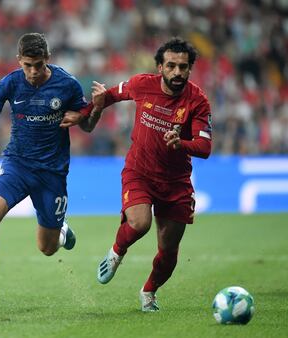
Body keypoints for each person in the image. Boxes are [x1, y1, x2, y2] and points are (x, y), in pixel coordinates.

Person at [69, 37, 213, 312]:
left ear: (190, 69)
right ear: (160, 67)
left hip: (176, 182)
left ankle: (149, 292)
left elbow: (205, 147)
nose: (177, 72)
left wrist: (181, 143)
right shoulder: (141, 84)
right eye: (171, 66)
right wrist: (84, 113)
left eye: (183, 67)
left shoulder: (198, 101)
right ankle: (116, 253)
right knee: (139, 223)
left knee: (169, 251)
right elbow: (108, 96)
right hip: (140, 171)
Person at [0, 32, 90, 312]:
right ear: (19, 61)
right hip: (17, 164)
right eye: (27, 65)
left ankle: (62, 230)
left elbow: (88, 123)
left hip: (51, 172)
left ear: (48, 59)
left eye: (38, 64)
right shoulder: (10, 83)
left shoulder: (67, 84)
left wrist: (83, 116)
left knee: (47, 248)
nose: (33, 72)